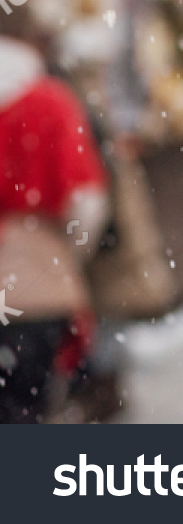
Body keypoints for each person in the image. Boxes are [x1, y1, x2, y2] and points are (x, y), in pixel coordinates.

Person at [0, 30, 110, 423]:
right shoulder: (50, 102)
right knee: (27, 408)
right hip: (38, 288)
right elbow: (86, 201)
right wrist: (67, 255)